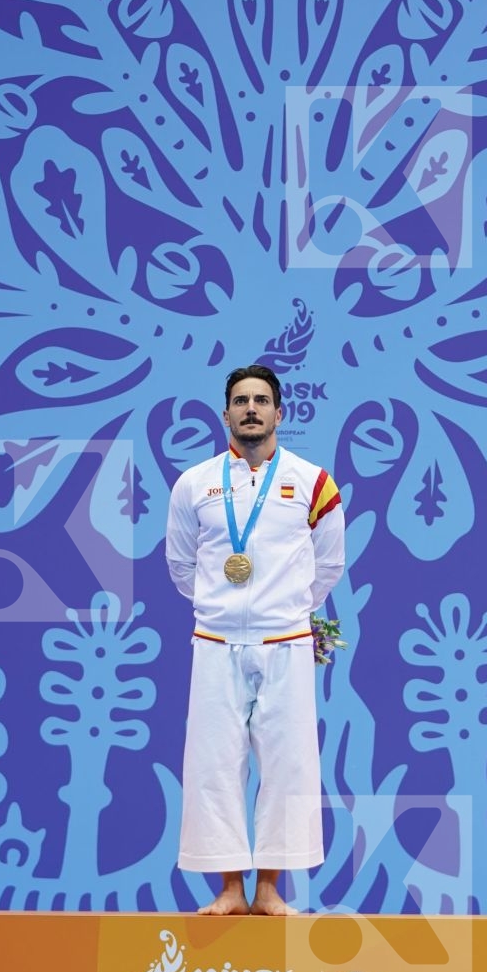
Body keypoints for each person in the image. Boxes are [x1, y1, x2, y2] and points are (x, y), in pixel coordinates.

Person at [165, 365, 345, 915]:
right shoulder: (194, 484)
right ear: (225, 415)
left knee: (288, 766)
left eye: (261, 401)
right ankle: (228, 889)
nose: (250, 409)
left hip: (285, 640)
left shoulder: (313, 482)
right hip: (216, 640)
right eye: (240, 401)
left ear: (279, 414)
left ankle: (268, 889)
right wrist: (222, 605)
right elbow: (181, 563)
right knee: (213, 766)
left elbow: (328, 565)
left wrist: (283, 609)